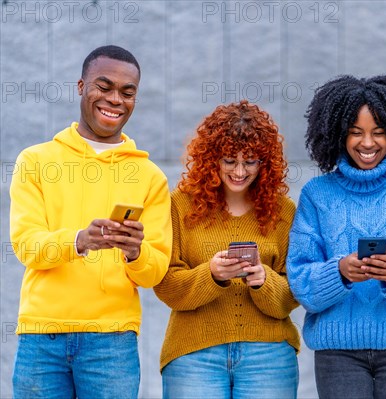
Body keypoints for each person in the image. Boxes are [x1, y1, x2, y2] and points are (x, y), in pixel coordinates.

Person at [9, 45, 172, 398]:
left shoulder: (150, 177)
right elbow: (26, 246)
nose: (116, 99)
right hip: (42, 338)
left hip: (112, 342)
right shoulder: (35, 161)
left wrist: (135, 253)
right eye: (104, 86)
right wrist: (79, 241)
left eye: (127, 93)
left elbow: (155, 272)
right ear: (81, 86)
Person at [286, 75, 386, 399]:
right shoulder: (317, 195)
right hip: (338, 356)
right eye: (355, 133)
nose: (367, 143)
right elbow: (301, 282)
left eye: (379, 132)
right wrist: (339, 272)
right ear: (337, 134)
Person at [154, 100, 300, 399]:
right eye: (229, 160)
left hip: (268, 357)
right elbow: (165, 285)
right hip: (194, 353)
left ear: (265, 163)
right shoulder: (179, 206)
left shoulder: (283, 212)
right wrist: (212, 275)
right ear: (211, 158)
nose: (239, 171)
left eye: (251, 161)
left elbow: (294, 293)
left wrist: (263, 279)